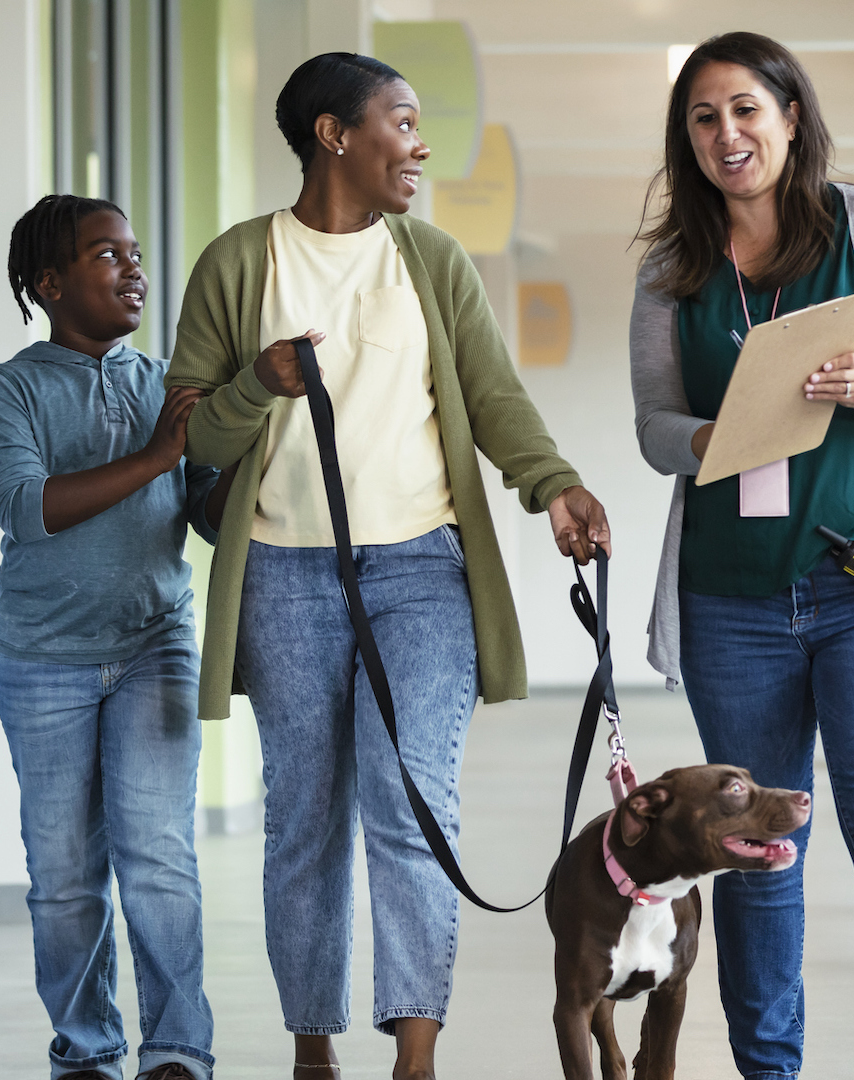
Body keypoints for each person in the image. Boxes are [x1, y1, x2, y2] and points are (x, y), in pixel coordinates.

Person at [165, 53, 610, 1080]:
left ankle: (416, 1053)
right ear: (333, 135)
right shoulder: (239, 264)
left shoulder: (433, 259)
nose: (417, 146)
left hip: (419, 570)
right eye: (401, 123)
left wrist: (555, 485)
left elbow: (493, 397)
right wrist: (262, 383)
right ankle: (312, 1046)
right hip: (280, 572)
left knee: (411, 802)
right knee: (304, 822)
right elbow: (194, 438)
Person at [630, 31, 854, 1080]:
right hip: (733, 599)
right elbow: (654, 426)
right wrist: (716, 433)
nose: (726, 134)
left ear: (791, 117)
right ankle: (767, 1066)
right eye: (703, 118)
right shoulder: (672, 268)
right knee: (753, 849)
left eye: (746, 109)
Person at [0, 194, 228, 1080]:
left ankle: (177, 1051)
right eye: (106, 255)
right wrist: (159, 456)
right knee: (65, 879)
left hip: (156, 643)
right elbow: (28, 507)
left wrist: (251, 459)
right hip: (43, 661)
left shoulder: (166, 381)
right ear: (48, 283)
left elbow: (204, 510)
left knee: (157, 858)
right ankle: (86, 1052)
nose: (133, 269)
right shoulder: (8, 390)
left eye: (135, 252)